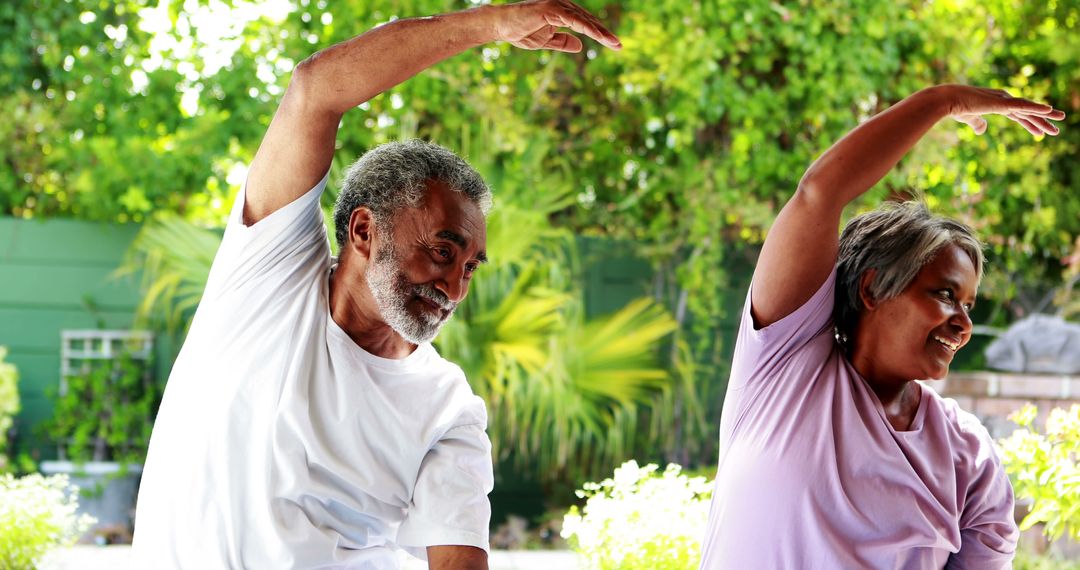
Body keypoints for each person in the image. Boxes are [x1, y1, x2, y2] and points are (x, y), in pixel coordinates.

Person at [130, 2, 620, 568]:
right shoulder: (267, 276)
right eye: (442, 251)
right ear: (364, 230)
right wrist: (490, 24)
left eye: (469, 267)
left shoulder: (449, 410)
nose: (454, 289)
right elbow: (314, 89)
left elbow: (458, 559)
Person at [699, 85, 1064, 569]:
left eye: (969, 305)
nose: (964, 325)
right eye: (944, 294)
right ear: (873, 290)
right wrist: (944, 101)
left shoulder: (968, 455)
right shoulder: (783, 368)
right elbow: (819, 193)